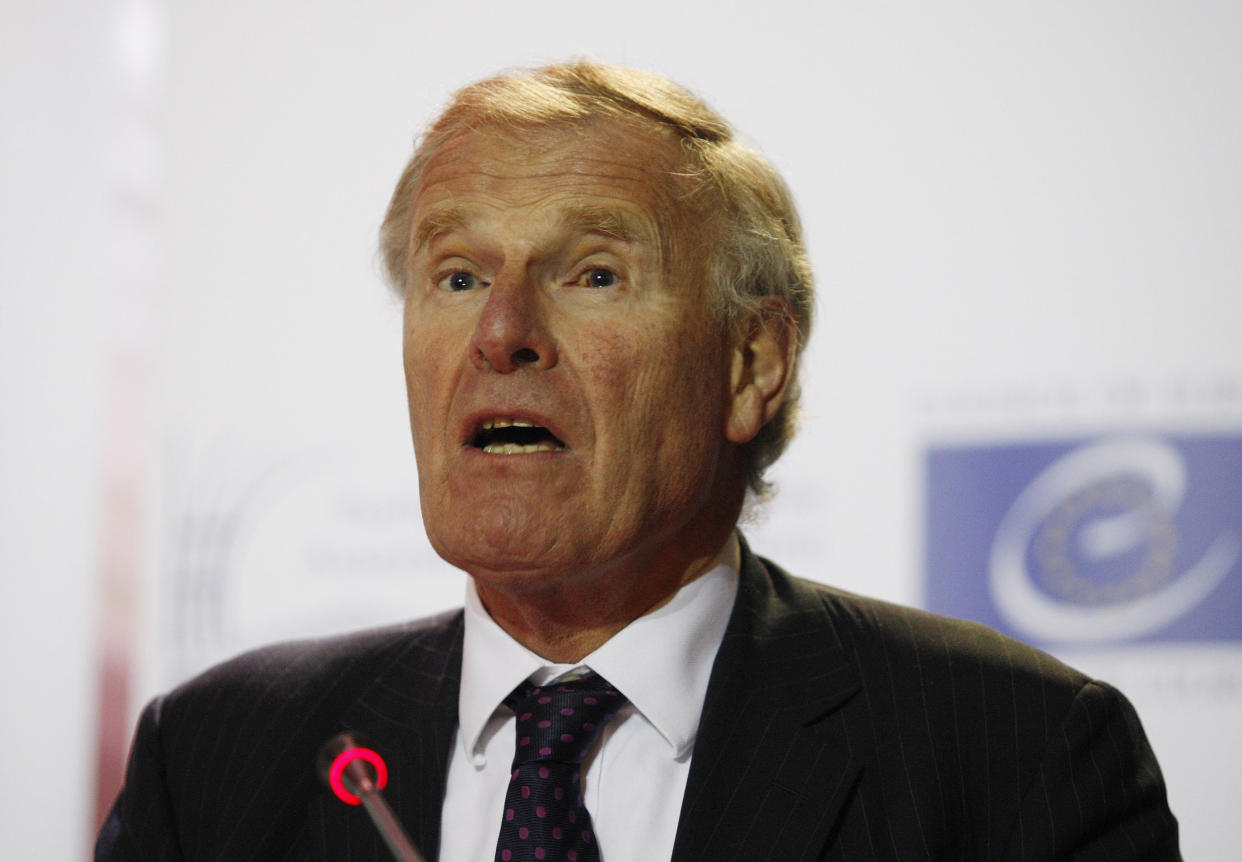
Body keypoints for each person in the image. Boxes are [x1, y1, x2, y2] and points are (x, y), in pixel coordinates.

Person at [97, 61, 1180, 861]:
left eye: (595, 273)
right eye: (459, 275)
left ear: (751, 362)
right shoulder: (219, 757)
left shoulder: (1017, 758)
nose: (501, 332)